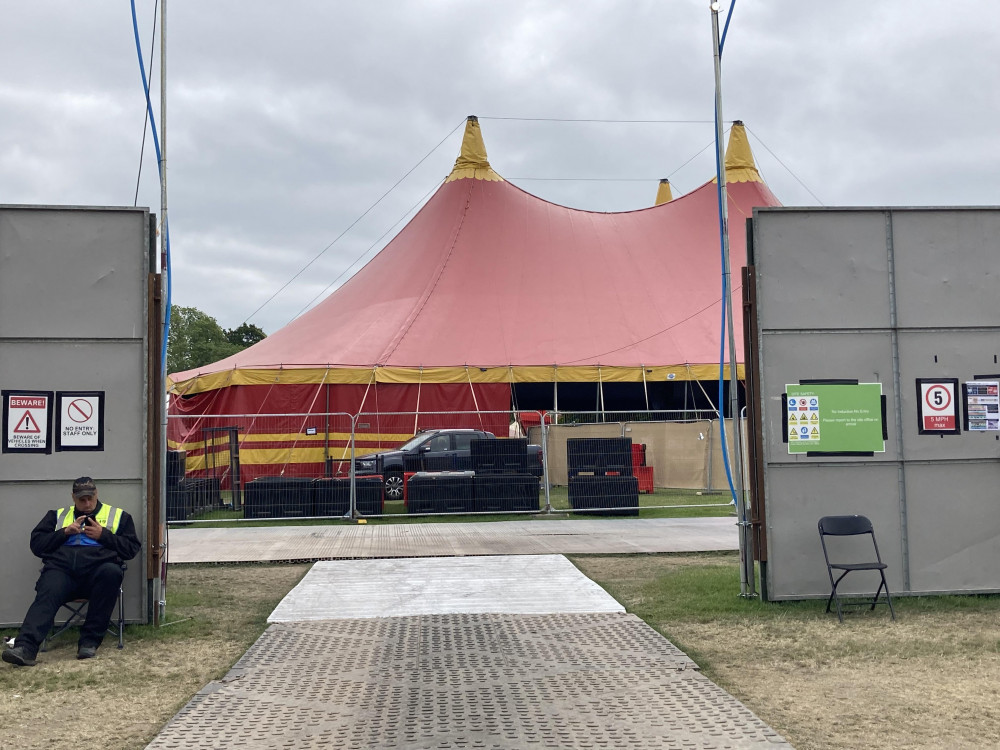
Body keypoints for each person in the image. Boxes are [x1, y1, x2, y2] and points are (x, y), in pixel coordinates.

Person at [2, 477, 141, 666]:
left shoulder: (118, 516)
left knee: (111, 572)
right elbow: (37, 545)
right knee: (48, 586)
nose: (87, 503)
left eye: (90, 498)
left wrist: (104, 536)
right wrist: (64, 533)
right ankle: (25, 648)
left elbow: (131, 549)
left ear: (96, 494)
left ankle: (88, 642)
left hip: (97, 575)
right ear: (73, 498)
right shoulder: (57, 516)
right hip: (63, 573)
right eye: (82, 499)